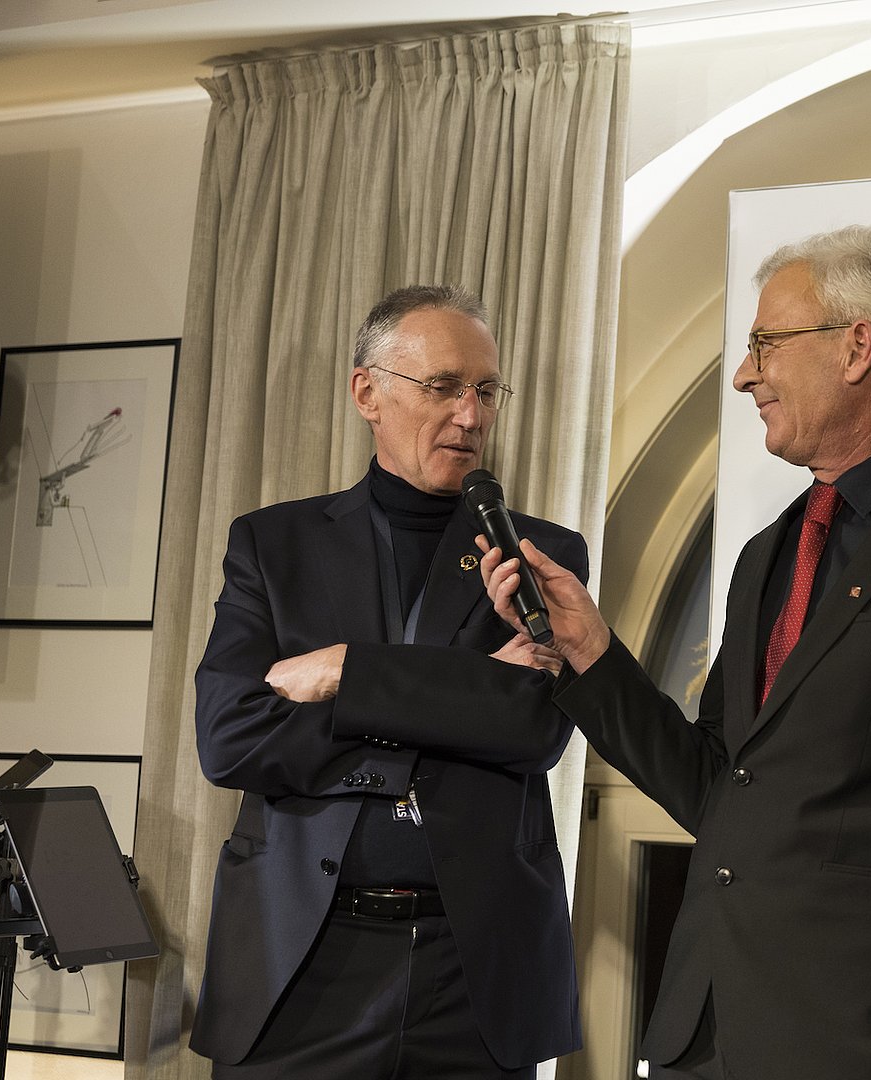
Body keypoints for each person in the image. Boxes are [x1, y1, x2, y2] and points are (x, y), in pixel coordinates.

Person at [483, 224, 871, 1079]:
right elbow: (723, 791)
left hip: (865, 1049)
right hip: (705, 1038)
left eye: (765, 344)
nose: (744, 374)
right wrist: (591, 651)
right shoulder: (768, 554)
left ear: (857, 347)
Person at [190, 285, 587, 1079]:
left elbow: (534, 730)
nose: (471, 415)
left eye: (486, 390)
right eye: (443, 386)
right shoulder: (273, 544)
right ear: (367, 393)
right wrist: (465, 693)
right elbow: (230, 738)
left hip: (474, 973)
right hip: (298, 964)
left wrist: (346, 673)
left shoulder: (541, 554)